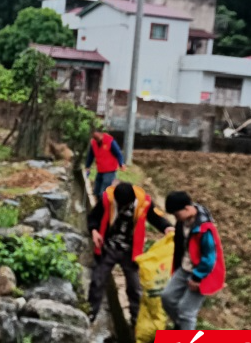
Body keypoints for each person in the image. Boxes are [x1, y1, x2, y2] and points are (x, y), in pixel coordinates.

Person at [87, 181, 174, 325]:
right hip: (108, 247)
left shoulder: (144, 203)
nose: (121, 207)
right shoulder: (108, 199)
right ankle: (91, 312)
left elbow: (156, 218)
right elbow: (93, 217)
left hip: (131, 251)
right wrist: (94, 230)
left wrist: (166, 227)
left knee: (134, 286)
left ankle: (135, 318)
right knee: (98, 280)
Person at [161, 191, 226, 331]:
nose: (176, 218)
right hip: (185, 267)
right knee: (167, 298)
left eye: (177, 214)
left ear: (187, 208)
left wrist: (197, 278)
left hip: (202, 272)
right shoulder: (183, 222)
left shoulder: (204, 228)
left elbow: (209, 257)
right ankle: (181, 327)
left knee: (186, 311)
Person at [85, 130, 126, 198]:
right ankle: (98, 203)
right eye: (95, 137)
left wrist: (121, 163)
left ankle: (104, 203)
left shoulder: (110, 141)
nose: (96, 139)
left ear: (101, 134)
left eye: (97, 137)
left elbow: (118, 153)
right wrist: (87, 166)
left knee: (104, 193)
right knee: (96, 191)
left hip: (110, 171)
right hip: (100, 170)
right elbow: (91, 155)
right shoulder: (94, 143)